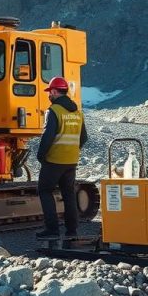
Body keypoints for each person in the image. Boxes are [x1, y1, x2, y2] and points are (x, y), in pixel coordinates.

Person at [35, 76, 88, 240]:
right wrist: (72, 150)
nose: (48, 95)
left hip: (54, 160)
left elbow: (47, 136)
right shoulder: (77, 112)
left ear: (55, 91)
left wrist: (41, 155)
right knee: (69, 194)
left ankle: (52, 230)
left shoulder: (54, 111)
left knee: (44, 191)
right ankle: (72, 230)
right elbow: (84, 137)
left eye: (50, 92)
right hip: (71, 161)